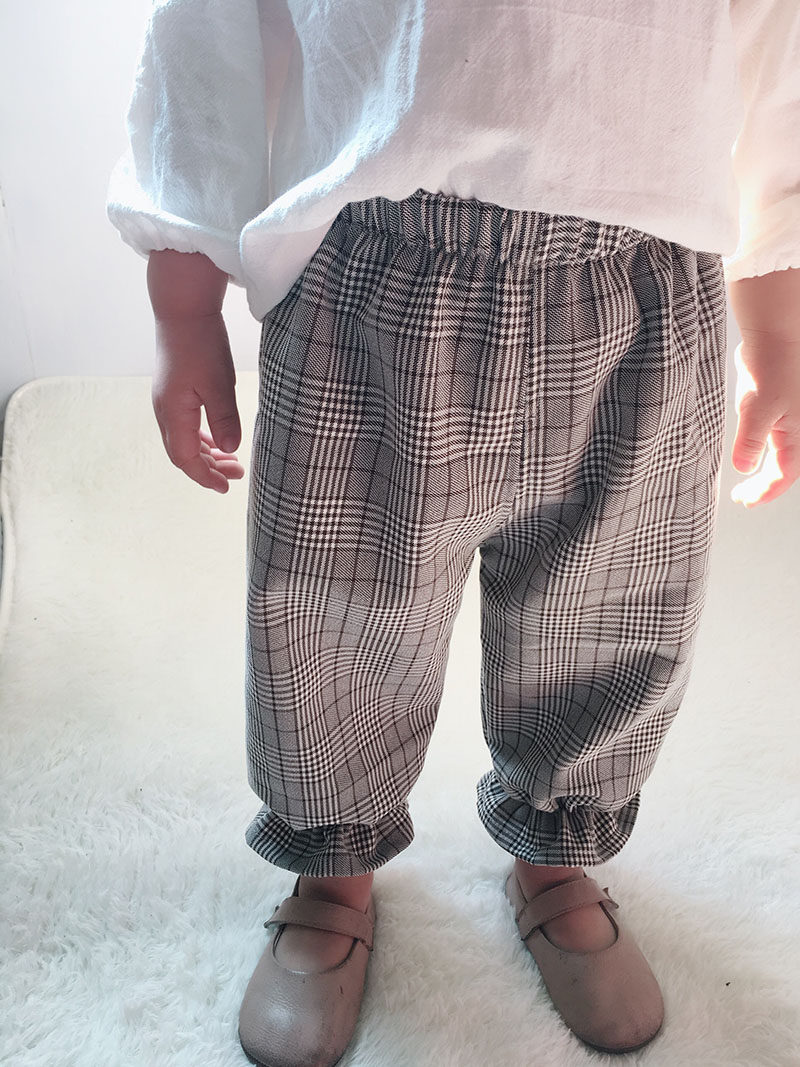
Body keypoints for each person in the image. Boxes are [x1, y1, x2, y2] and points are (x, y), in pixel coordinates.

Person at [106, 0, 800, 1062]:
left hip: (643, 283)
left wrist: (777, 325)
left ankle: (556, 849)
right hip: (374, 272)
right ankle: (331, 869)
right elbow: (210, 37)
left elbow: (773, 55)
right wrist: (183, 303)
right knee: (334, 607)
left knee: (609, 606)